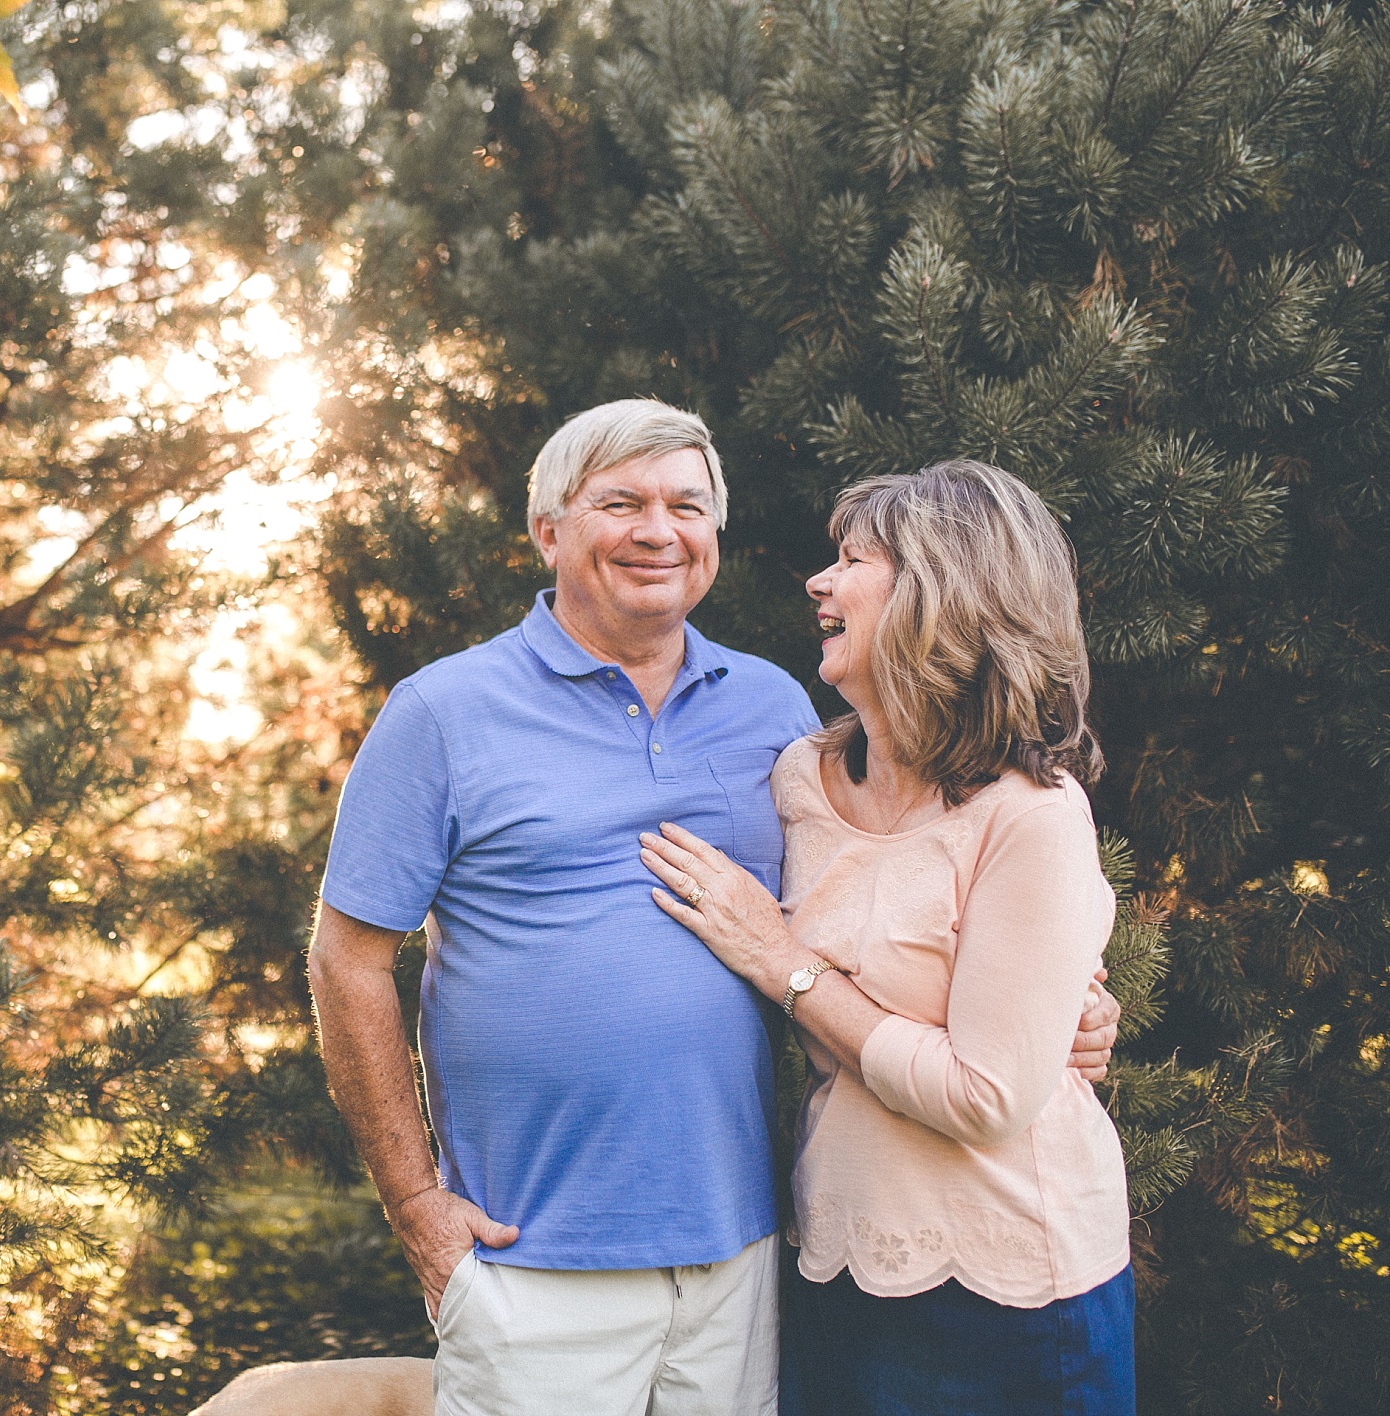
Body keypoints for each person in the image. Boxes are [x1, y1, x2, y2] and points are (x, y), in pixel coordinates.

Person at [307, 402, 1120, 1416]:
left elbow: (903, 890)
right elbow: (347, 960)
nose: (659, 530)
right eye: (621, 502)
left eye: (687, 505)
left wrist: (1065, 1008)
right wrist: (418, 1204)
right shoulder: (441, 714)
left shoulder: (780, 716)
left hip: (751, 1252)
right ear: (548, 532)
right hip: (536, 1257)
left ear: (714, 539)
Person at [638, 458, 1135, 1414]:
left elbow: (986, 1095)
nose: (819, 583)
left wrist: (787, 969)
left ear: (942, 597)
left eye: (854, 559)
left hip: (1011, 1286)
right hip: (833, 1258)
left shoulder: (1031, 815)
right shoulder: (799, 780)